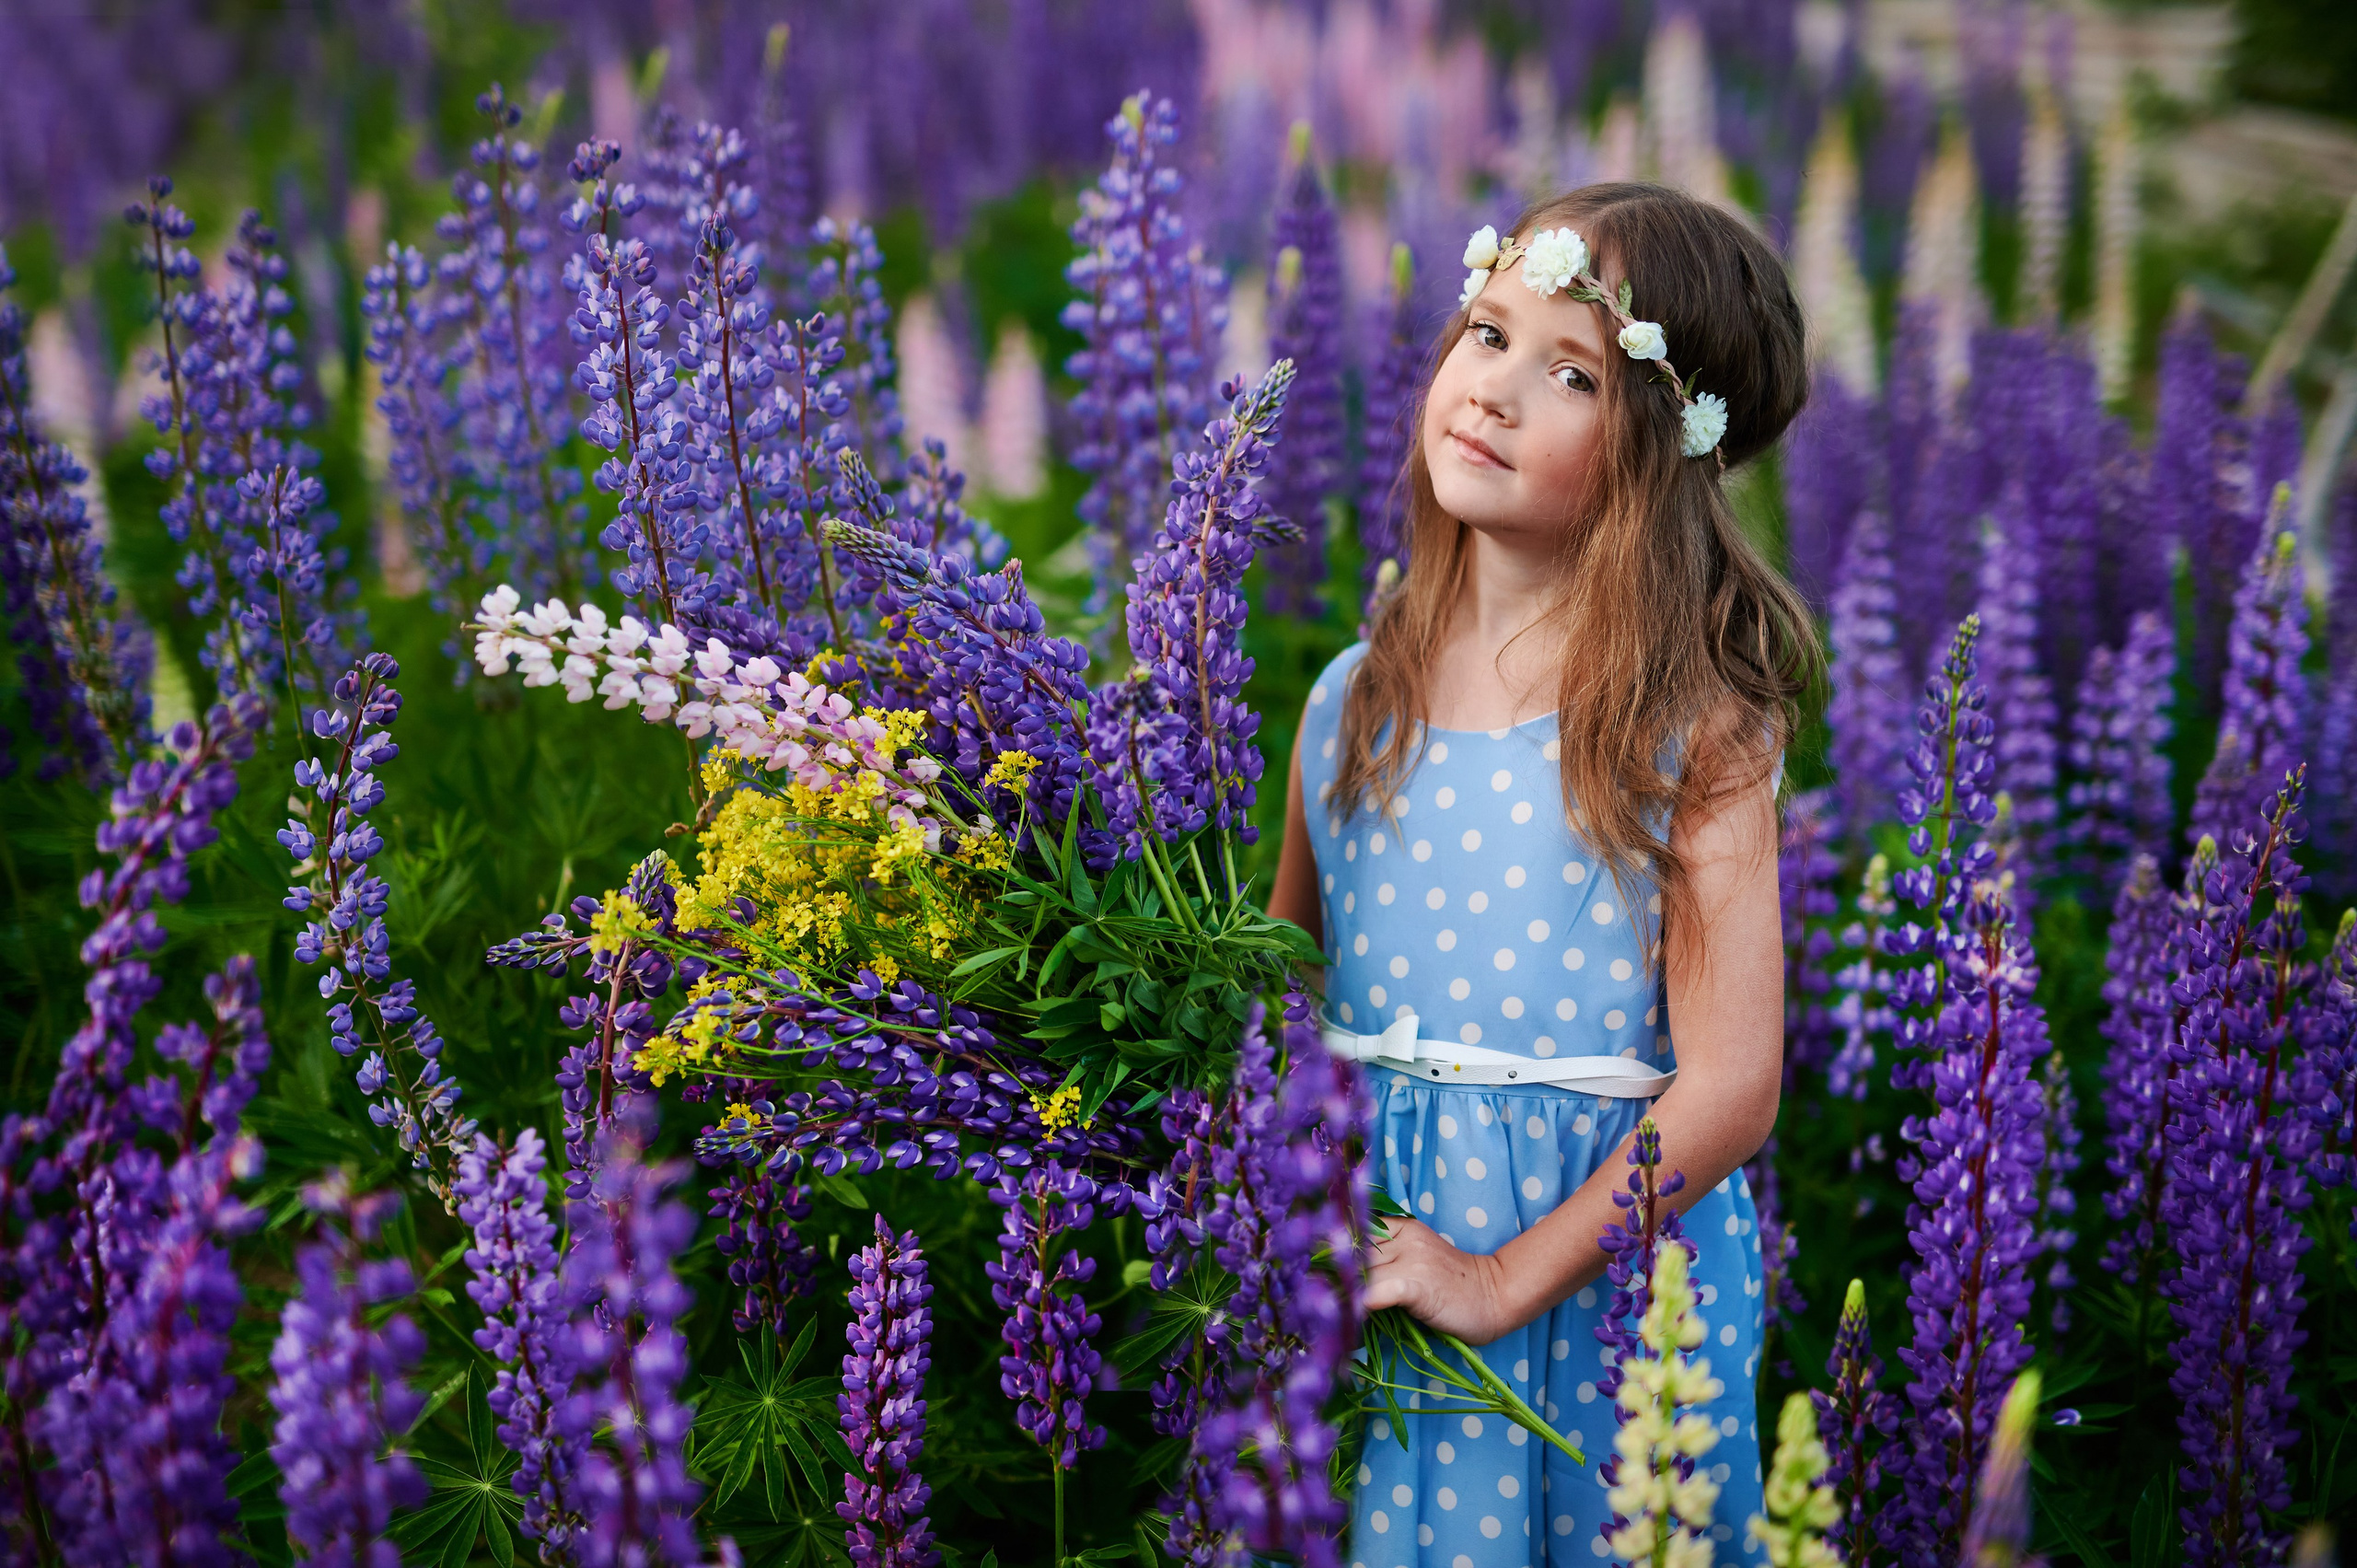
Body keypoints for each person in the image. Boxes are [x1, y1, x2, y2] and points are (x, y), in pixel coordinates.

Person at [1267, 182, 1818, 1564]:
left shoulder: (1691, 732)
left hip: (1602, 1298)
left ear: (1657, 458)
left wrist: (1507, 1276)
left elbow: (1733, 1086)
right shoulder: (1350, 701)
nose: (1496, 391)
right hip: (1381, 1270)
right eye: (1488, 333)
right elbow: (1282, 995)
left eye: (1573, 373)